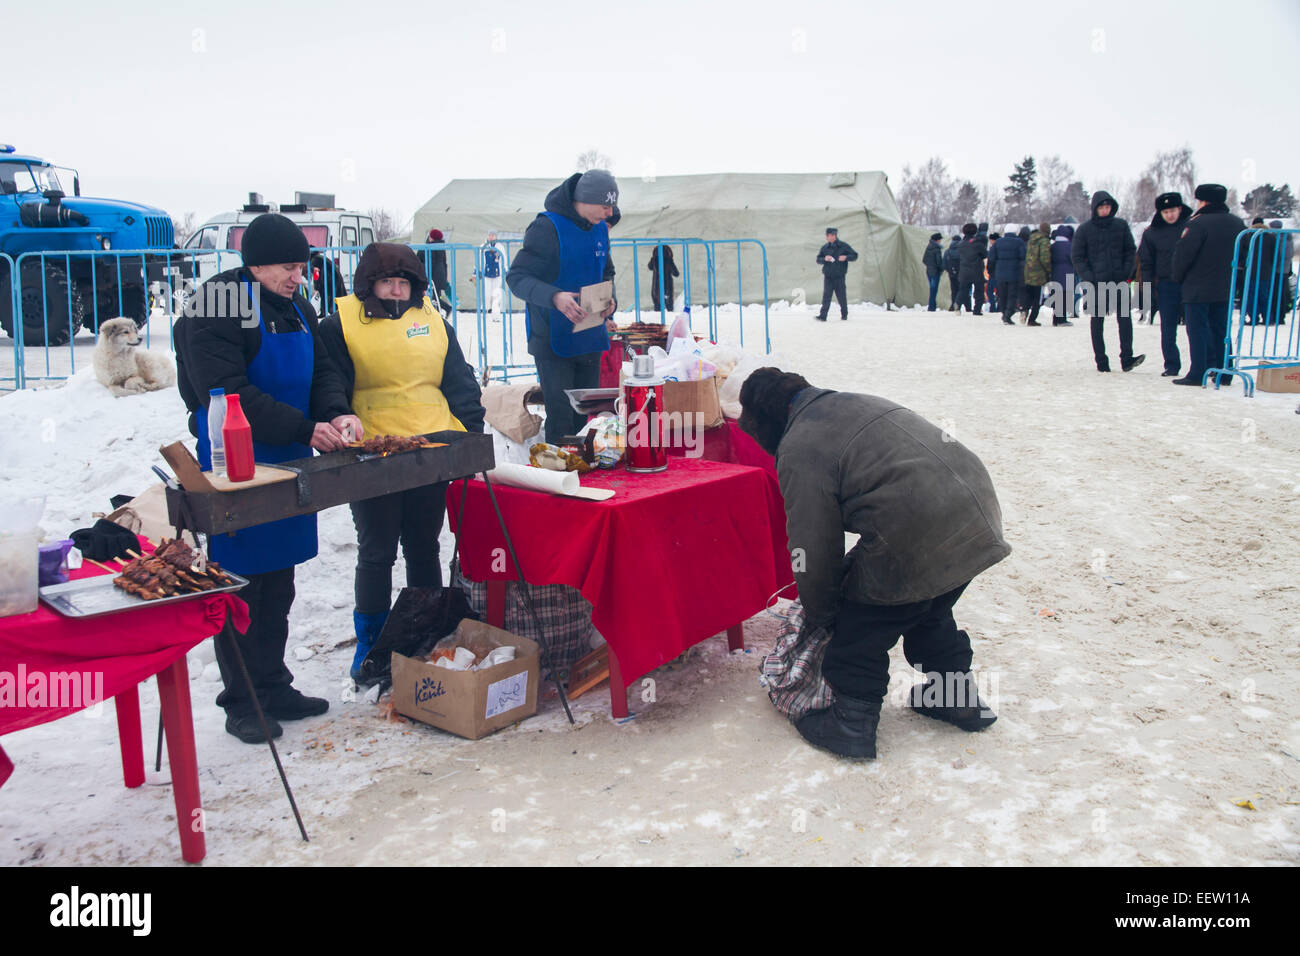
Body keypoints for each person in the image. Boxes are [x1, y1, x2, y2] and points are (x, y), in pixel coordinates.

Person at [738, 368, 1009, 759]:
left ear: (765, 421)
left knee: (862, 624)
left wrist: (823, 612)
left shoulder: (800, 444)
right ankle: (957, 697)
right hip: (977, 512)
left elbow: (813, 546)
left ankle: (851, 723)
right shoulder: (851, 402)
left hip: (920, 523)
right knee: (925, 606)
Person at [173, 213, 362, 743]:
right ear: (253, 264)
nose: (297, 277)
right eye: (287, 267)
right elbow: (226, 390)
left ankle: (274, 684)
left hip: (289, 456)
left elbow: (323, 369)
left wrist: (335, 411)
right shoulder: (213, 305)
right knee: (241, 582)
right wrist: (307, 426)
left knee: (279, 578)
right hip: (234, 458)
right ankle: (242, 699)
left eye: (301, 267)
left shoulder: (297, 306)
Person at [317, 243, 486, 680]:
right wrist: (337, 412)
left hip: (429, 450)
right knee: (376, 549)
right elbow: (328, 377)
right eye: (386, 282)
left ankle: (422, 631)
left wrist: (470, 433)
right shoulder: (339, 325)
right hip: (372, 451)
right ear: (368, 285)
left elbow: (459, 380)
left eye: (404, 283)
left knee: (424, 544)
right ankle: (370, 643)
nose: (395, 292)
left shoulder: (434, 322)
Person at [506, 170, 619, 443]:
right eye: (605, 206)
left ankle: (585, 473)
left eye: (612, 206)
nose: (609, 213)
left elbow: (606, 272)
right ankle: (560, 476)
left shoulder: (600, 229)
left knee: (584, 417)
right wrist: (555, 297)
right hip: (552, 339)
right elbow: (517, 278)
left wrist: (610, 302)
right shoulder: (546, 228)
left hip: (590, 337)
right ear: (585, 199)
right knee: (561, 419)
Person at [1171, 183, 1245, 386]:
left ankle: (1198, 372)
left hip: (1197, 287)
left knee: (1197, 330)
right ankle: (1225, 372)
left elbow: (1184, 255)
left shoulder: (1197, 224)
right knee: (1221, 330)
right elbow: (1245, 255)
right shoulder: (1237, 223)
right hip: (1225, 287)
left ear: (1202, 201)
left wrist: (1178, 277)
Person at [1072, 190, 1144, 372]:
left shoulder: (1121, 226)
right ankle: (1101, 361)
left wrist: (1127, 272)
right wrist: (1090, 277)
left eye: (1107, 207)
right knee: (1097, 321)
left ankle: (1127, 358)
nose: (1105, 210)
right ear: (1095, 209)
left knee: (1125, 319)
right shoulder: (1085, 229)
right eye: (1101, 207)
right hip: (1097, 283)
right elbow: (1077, 256)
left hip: (1119, 281)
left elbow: (1130, 250)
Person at [1137, 192, 1193, 376]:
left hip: (1190, 283)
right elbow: (1146, 263)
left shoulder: (1191, 227)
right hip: (1166, 284)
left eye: (1173, 210)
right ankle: (1171, 364)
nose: (1170, 215)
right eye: (1166, 211)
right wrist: (1147, 288)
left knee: (1195, 326)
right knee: (1168, 328)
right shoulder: (1152, 233)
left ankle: (1203, 363)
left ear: (1180, 209)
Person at [815, 227, 858, 321]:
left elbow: (855, 255)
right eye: (827, 236)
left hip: (839, 276)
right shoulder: (825, 247)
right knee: (826, 296)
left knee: (841, 296)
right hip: (828, 276)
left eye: (829, 235)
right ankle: (823, 315)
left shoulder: (843, 246)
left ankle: (844, 314)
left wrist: (846, 257)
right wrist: (824, 259)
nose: (828, 237)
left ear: (834, 236)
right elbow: (818, 259)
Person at [989, 227, 1026, 325]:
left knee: (1002, 295)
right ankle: (1008, 314)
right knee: (1012, 295)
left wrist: (991, 271)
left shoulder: (997, 242)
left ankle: (1004, 313)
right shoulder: (1019, 242)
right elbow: (1023, 256)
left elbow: (991, 258)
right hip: (1014, 272)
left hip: (1000, 273)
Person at [1023, 222, 1052, 326]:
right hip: (1039, 275)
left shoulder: (1031, 240)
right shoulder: (1044, 241)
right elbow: (1045, 258)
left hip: (1028, 272)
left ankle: (1024, 310)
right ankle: (1032, 319)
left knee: (1029, 295)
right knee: (1037, 298)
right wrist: (1048, 271)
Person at [955, 223, 985, 314]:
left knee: (963, 289)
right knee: (978, 291)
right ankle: (977, 309)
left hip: (964, 270)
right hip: (976, 270)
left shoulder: (960, 244)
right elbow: (984, 254)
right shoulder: (978, 243)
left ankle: (957, 303)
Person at [1049, 225, 1076, 325]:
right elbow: (1073, 260)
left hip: (1055, 274)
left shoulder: (1053, 246)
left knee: (1057, 297)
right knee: (1065, 298)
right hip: (1067, 274)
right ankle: (1062, 320)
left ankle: (1056, 319)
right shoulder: (1069, 246)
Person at [423, 229, 451, 315]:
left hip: (432, 275)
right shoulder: (440, 247)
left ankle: (445, 308)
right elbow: (444, 264)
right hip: (439, 276)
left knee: (433, 297)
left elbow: (428, 263)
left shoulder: (430, 247)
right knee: (435, 296)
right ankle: (438, 313)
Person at [647, 243, 679, 312]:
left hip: (656, 287)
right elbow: (676, 273)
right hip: (667, 287)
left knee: (657, 308)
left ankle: (659, 320)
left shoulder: (654, 260)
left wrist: (653, 258)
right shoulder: (669, 260)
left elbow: (650, 267)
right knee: (669, 308)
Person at [480, 231, 505, 315]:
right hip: (486, 273)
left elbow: (504, 259)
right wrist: (478, 271)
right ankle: (486, 307)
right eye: (490, 235)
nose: (491, 237)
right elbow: (480, 260)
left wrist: (505, 269)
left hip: (497, 273)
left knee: (497, 292)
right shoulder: (483, 247)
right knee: (486, 292)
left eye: (493, 235)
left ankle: (496, 309)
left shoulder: (500, 247)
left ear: (496, 237)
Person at [922, 232, 944, 311]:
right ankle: (931, 307)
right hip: (935, 272)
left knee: (932, 289)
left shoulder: (929, 247)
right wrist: (941, 268)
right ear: (937, 240)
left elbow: (924, 260)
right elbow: (939, 262)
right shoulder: (936, 249)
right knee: (934, 290)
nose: (940, 241)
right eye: (940, 240)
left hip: (929, 271)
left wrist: (930, 265)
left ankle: (932, 306)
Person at [943, 234, 962, 311]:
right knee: (963, 289)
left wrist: (949, 270)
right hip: (961, 273)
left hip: (951, 273)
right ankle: (965, 306)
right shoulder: (962, 250)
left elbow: (944, 264)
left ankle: (953, 305)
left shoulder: (947, 251)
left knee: (954, 290)